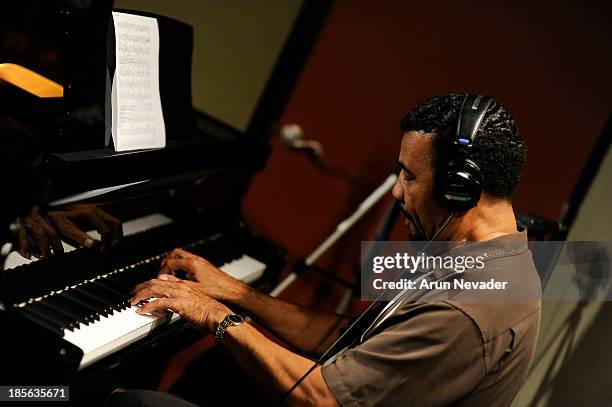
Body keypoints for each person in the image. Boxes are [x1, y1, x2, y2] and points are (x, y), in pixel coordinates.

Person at [117, 93, 541, 406]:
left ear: (459, 189)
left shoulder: (470, 306)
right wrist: (235, 292)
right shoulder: (474, 258)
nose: (396, 191)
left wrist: (215, 315)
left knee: (134, 405)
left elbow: (325, 400)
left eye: (410, 177)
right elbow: (346, 339)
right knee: (216, 372)